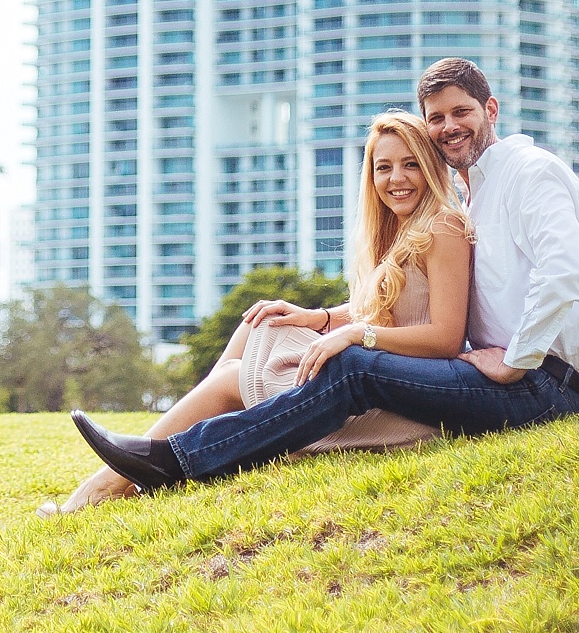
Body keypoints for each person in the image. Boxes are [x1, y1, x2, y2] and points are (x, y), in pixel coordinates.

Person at [69, 56, 579, 494]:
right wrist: (329, 316)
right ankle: (145, 462)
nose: (450, 127)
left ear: (490, 109)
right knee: (277, 337)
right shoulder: (472, 196)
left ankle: (176, 460)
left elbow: (564, 273)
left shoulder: (530, 173)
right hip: (499, 372)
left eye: (461, 112)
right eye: (438, 118)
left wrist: (517, 359)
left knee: (353, 366)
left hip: (547, 386)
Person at [41, 109, 472, 515]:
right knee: (263, 321)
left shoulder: (443, 227)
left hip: (400, 405)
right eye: (384, 167)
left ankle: (109, 483)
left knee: (233, 379)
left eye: (410, 164)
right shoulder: (402, 230)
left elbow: (445, 338)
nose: (396, 178)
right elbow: (384, 309)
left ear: (431, 168)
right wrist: (318, 317)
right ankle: (168, 453)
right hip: (375, 375)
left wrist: (357, 335)